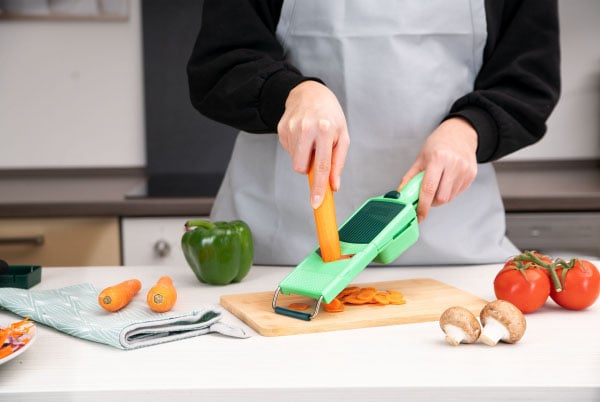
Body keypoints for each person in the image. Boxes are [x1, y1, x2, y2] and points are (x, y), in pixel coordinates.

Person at [187, 0, 560, 266]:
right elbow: (220, 63)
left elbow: (528, 78)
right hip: (281, 253)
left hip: (453, 251)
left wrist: (469, 128)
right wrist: (293, 93)